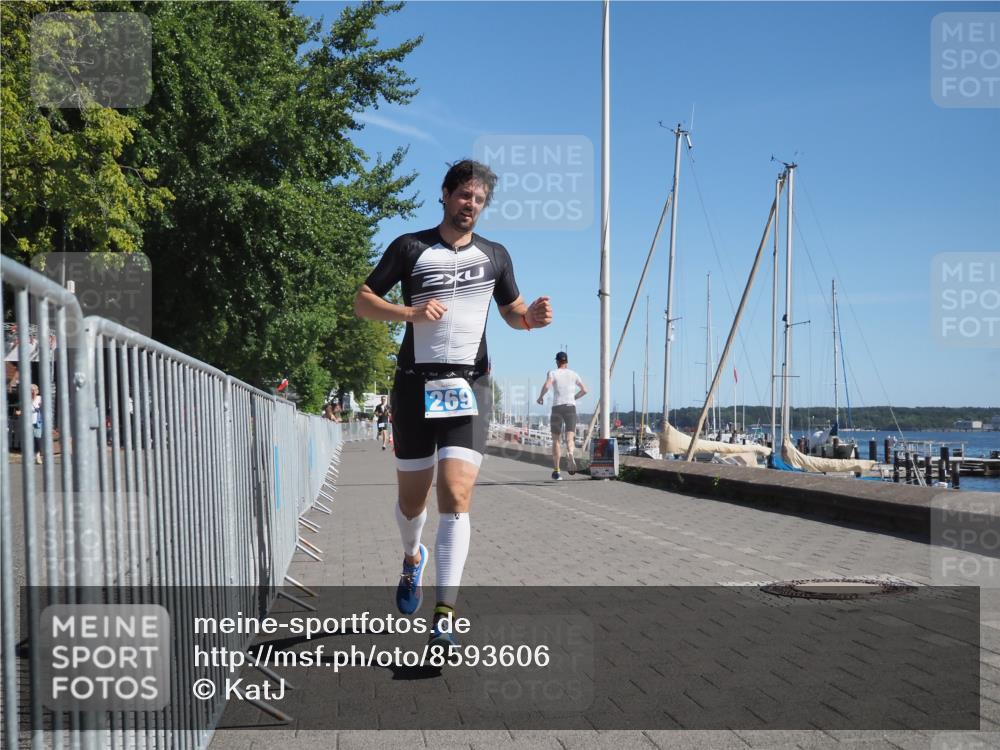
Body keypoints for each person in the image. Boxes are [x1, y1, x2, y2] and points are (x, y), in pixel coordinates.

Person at [354, 159, 552, 650]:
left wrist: (533, 320)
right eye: (464, 195)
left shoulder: (496, 256)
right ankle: (410, 558)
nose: (471, 205)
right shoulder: (410, 247)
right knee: (411, 500)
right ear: (445, 194)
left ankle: (444, 612)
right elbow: (362, 301)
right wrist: (410, 312)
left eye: (479, 199)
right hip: (413, 386)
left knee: (456, 495)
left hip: (470, 387)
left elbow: (512, 312)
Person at [536, 352, 587, 480]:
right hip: (570, 407)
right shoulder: (574, 374)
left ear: (557, 362)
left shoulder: (552, 373)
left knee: (556, 441)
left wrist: (540, 397)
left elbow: (547, 385)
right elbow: (585, 390)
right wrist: (574, 397)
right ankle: (570, 453)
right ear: (567, 362)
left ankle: (557, 471)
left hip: (557, 407)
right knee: (570, 438)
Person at [30, 383, 42, 465]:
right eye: (32, 390)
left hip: (37, 422)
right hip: (28, 422)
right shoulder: (26, 399)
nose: (34, 391)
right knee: (30, 440)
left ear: (37, 391)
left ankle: (38, 456)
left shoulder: (40, 398)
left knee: (37, 439)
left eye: (35, 390)